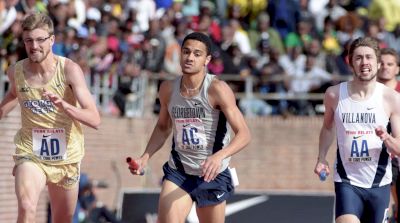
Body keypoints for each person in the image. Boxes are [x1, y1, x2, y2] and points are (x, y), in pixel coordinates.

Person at [128, 32, 251, 223]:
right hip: (179, 172)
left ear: (206, 60)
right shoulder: (168, 89)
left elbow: (244, 134)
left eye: (197, 54)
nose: (190, 57)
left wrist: (219, 156)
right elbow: (162, 128)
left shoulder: (217, 89)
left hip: (212, 174)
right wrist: (145, 157)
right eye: (186, 52)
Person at [0, 13, 101, 223]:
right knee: (27, 206)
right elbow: (13, 94)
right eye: (28, 40)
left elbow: (94, 119)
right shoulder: (16, 72)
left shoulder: (70, 71)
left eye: (40, 40)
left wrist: (65, 106)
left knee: (62, 219)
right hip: (31, 153)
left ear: (52, 40)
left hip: (66, 158)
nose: (34, 46)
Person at [314, 37, 400, 223]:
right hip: (347, 182)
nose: (364, 62)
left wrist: (387, 138)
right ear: (350, 63)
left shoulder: (391, 98)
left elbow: (399, 146)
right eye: (359, 58)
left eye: (369, 57)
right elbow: (328, 128)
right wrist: (321, 158)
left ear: (377, 63)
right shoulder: (334, 94)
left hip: (380, 183)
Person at [377, 47, 400, 222]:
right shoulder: (367, 92)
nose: (385, 67)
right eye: (382, 63)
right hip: (374, 154)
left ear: (397, 69)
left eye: (390, 64)